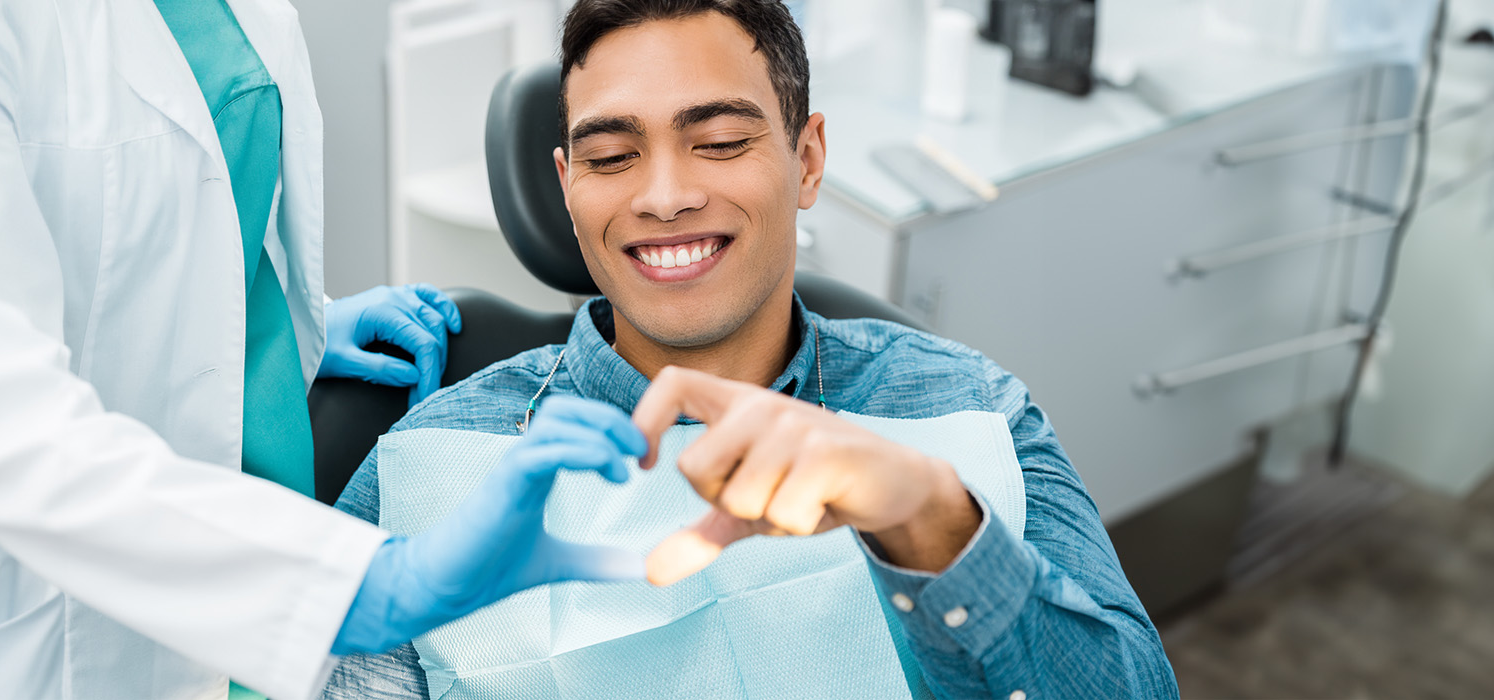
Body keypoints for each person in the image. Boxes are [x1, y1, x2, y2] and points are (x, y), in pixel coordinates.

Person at [0, 0, 645, 698]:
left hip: (250, 536)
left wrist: (270, 328)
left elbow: (194, 173)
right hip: (36, 618)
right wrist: (373, 587)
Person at [325, 1, 1179, 698]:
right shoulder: (427, 463)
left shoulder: (965, 404)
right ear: (567, 187)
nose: (664, 197)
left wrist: (931, 522)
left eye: (722, 142)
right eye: (613, 156)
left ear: (806, 161)